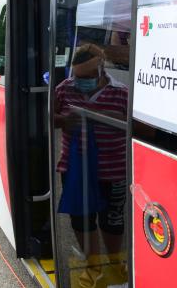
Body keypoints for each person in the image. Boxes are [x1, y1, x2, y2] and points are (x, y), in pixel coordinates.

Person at [54, 43, 128, 288]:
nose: (80, 82)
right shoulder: (64, 89)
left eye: (86, 77)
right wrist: (63, 120)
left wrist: (119, 121)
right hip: (75, 171)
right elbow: (49, 118)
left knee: (112, 221)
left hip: (112, 171)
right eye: (77, 76)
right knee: (81, 220)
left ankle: (115, 264)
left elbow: (146, 131)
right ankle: (93, 267)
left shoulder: (123, 94)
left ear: (101, 69)